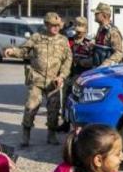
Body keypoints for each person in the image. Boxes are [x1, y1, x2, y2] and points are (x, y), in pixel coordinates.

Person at [4, 12, 72, 147]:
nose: (56, 28)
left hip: (54, 81)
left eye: (58, 26)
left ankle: (51, 134)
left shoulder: (63, 40)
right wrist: (13, 51)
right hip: (37, 79)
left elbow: (67, 60)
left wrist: (62, 76)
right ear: (46, 25)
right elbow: (23, 51)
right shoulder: (36, 38)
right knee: (31, 107)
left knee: (54, 110)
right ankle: (26, 133)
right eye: (53, 25)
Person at [92, 2, 123, 67]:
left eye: (97, 13)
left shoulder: (113, 31)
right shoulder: (100, 29)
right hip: (97, 66)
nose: (94, 14)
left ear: (104, 16)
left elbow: (118, 53)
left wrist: (105, 64)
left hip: (106, 70)